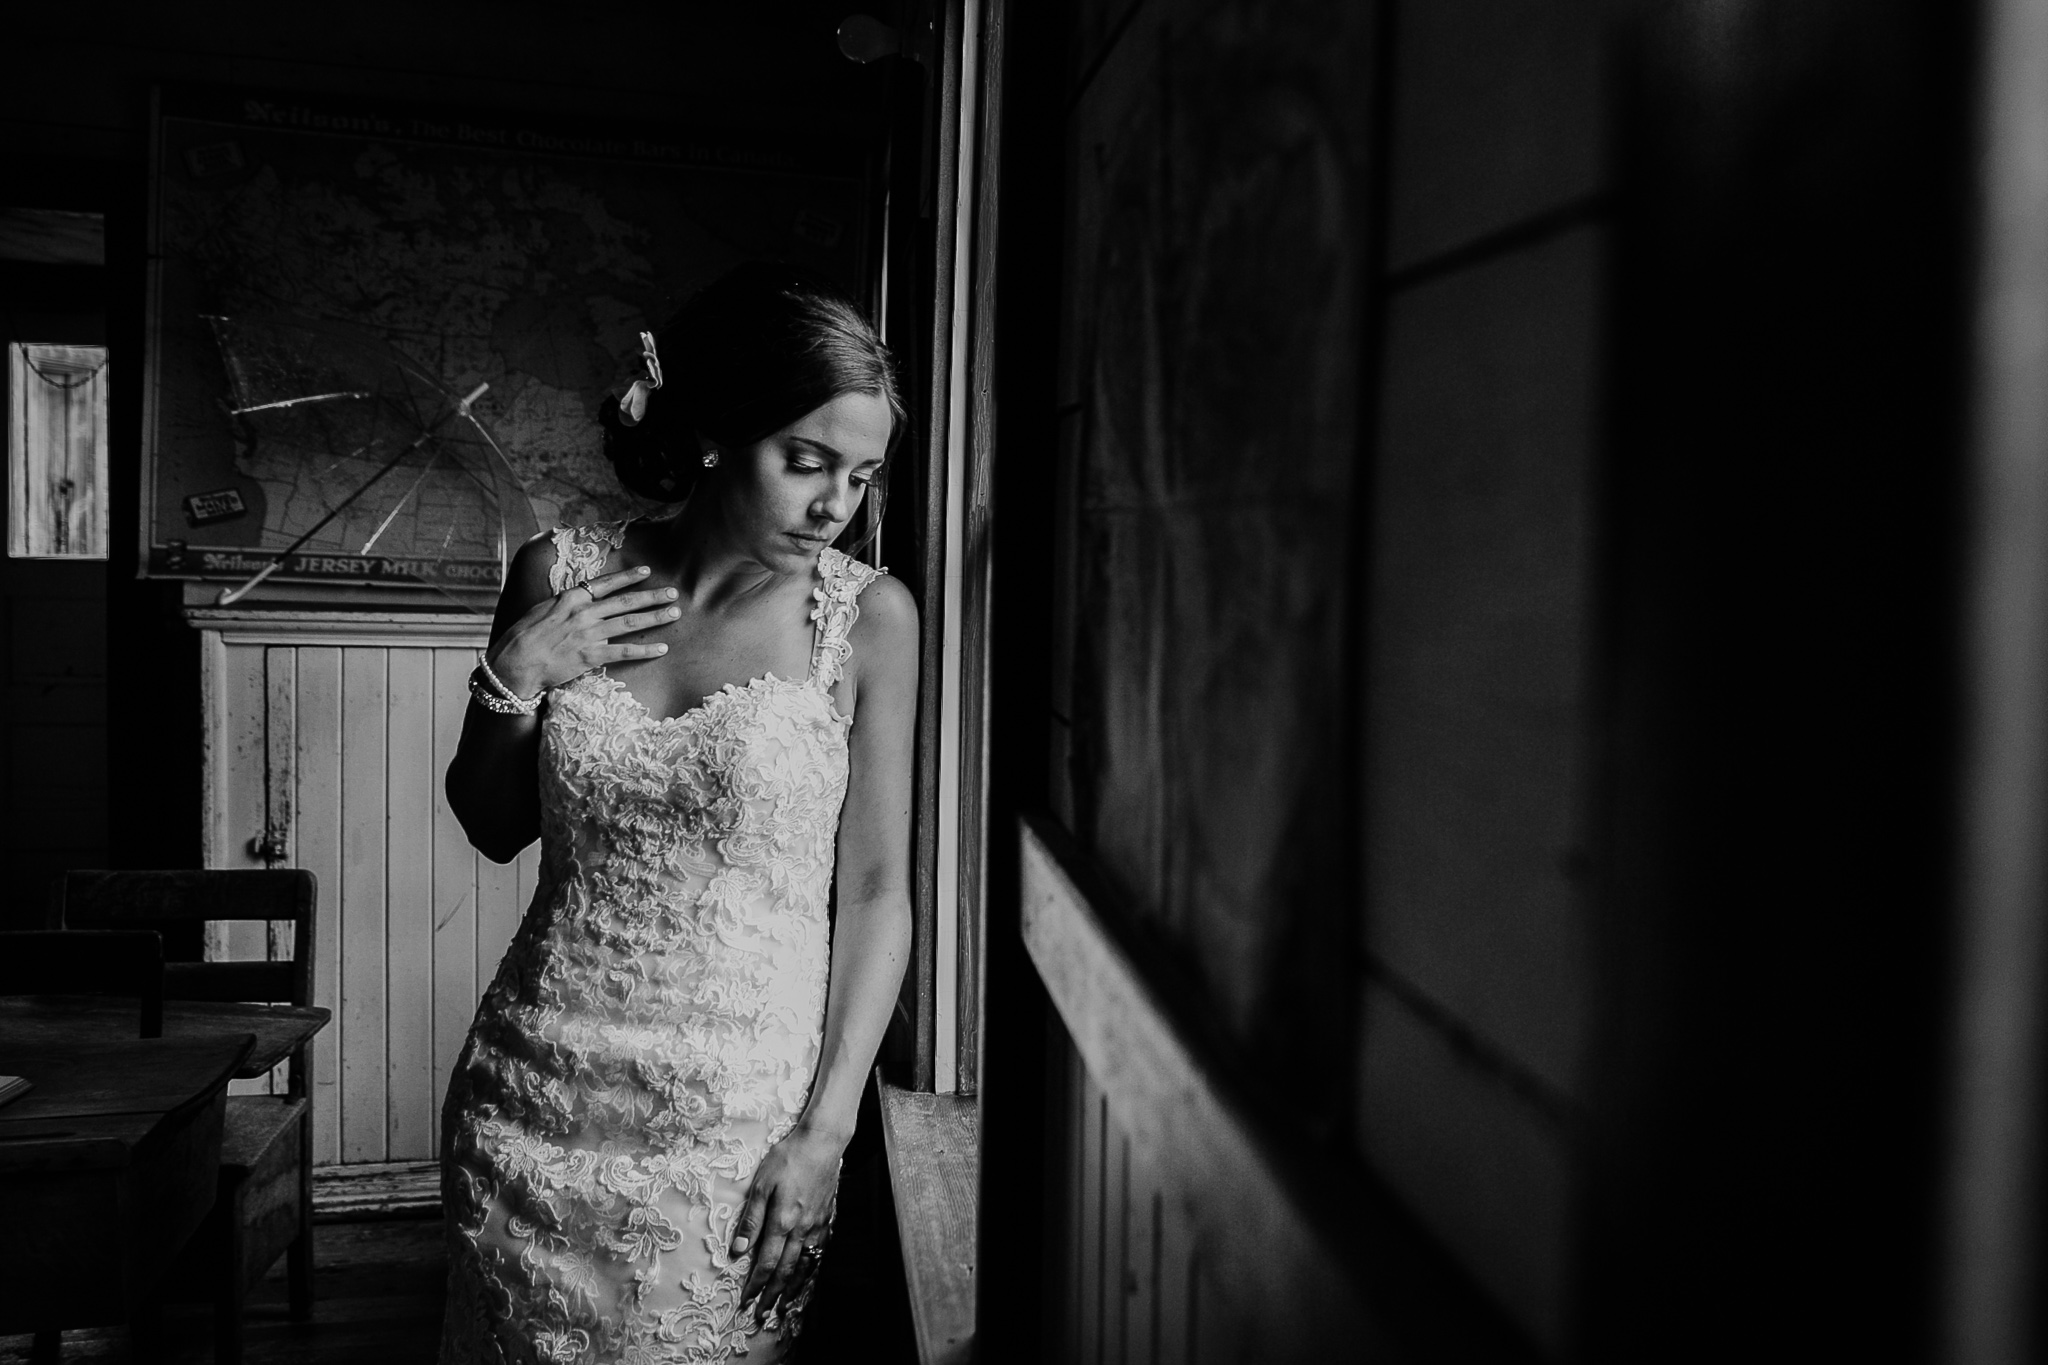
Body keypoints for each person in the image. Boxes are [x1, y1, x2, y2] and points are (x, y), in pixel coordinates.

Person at [437, 262, 917, 1364]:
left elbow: (881, 890)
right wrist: (514, 675)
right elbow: (492, 823)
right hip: (528, 1095)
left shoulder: (867, 620)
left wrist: (827, 1131)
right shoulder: (561, 573)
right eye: (805, 462)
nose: (834, 506)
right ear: (715, 433)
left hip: (733, 1136)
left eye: (860, 474)